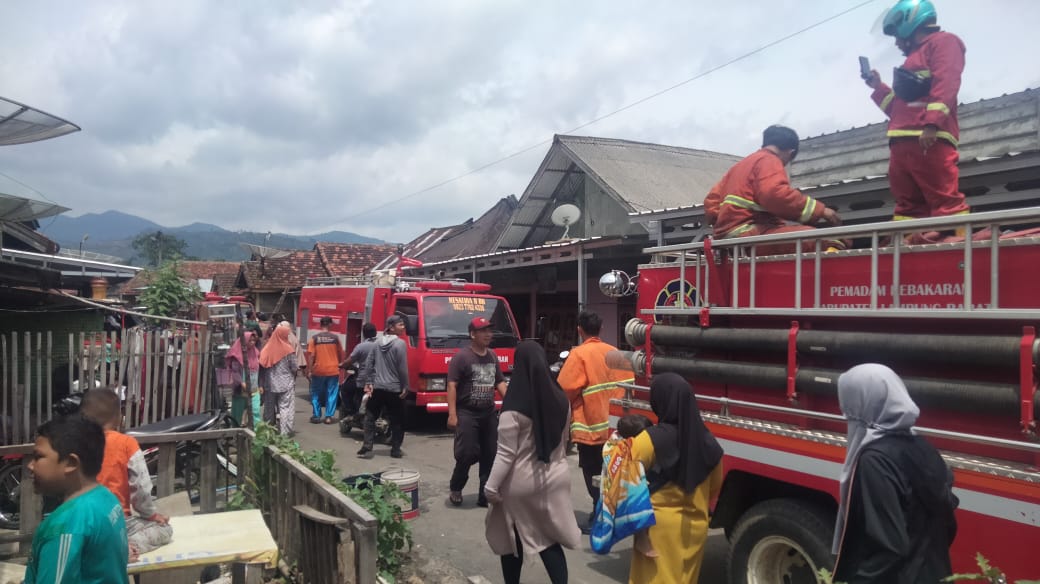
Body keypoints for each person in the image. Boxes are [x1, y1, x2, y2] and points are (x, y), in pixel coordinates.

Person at [832, 363, 958, 583]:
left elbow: (889, 548)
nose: (845, 412)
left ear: (861, 403)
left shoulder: (875, 461)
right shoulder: (922, 446)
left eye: (848, 403)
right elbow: (948, 520)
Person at [865, 0, 968, 239]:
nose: (897, 42)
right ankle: (908, 253)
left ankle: (962, 252)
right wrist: (877, 87)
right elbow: (900, 110)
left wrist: (932, 123)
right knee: (907, 208)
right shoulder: (913, 59)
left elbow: (947, 83)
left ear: (909, 23)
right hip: (903, 143)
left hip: (929, 140)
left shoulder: (944, 42)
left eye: (897, 36)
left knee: (946, 202)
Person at [484, 341, 580, 584]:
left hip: (522, 484)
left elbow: (506, 454)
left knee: (512, 539)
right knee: (548, 539)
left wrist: (490, 487)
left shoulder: (513, 408)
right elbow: (565, 439)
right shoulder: (561, 400)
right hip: (556, 476)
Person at [628, 373, 723, 584]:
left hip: (656, 529)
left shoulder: (651, 439)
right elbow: (715, 487)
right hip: (695, 529)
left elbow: (625, 478)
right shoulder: (710, 443)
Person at [704, 125, 844, 254]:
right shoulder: (769, 160)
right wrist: (821, 211)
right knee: (832, 239)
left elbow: (711, 202)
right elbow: (774, 194)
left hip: (729, 241)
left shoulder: (739, 167)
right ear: (790, 152)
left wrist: (726, 224)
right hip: (750, 236)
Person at [25, 415, 130, 584]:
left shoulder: (64, 527)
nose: (30, 466)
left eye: (38, 457)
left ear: (71, 463)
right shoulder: (107, 498)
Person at [556, 310, 634, 525]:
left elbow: (565, 388)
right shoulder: (615, 352)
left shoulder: (579, 354)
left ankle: (599, 513)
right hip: (617, 428)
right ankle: (612, 510)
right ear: (601, 329)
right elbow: (630, 386)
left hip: (591, 428)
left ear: (579, 330)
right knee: (612, 471)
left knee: (593, 472)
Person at [79, 389, 173, 558]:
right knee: (165, 529)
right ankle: (125, 547)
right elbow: (141, 487)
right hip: (117, 521)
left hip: (81, 521)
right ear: (118, 418)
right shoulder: (126, 444)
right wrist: (150, 514)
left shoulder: (76, 445)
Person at [446, 317, 508, 507]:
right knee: (467, 453)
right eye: (483, 331)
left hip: (488, 413)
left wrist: (512, 401)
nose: (488, 334)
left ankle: (484, 494)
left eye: (489, 331)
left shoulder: (492, 356)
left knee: (490, 454)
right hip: (467, 413)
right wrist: (452, 414)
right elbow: (452, 385)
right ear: (472, 334)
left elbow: (499, 382)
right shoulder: (462, 357)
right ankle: (456, 486)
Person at [356, 315, 409, 459]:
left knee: (370, 416)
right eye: (400, 325)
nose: (403, 327)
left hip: (378, 387)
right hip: (394, 388)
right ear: (391, 327)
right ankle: (396, 449)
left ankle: (367, 445)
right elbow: (402, 368)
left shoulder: (377, 343)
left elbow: (369, 364)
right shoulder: (400, 344)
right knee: (397, 419)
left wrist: (369, 382)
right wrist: (405, 385)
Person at [610, 414, 656, 558]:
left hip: (625, 476)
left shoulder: (622, 443)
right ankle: (642, 538)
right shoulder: (622, 449)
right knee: (640, 496)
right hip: (621, 481)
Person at [305, 316, 346, 425]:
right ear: (330, 325)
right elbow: (341, 353)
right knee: (332, 393)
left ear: (320, 324)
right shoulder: (335, 338)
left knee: (316, 393)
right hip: (333, 370)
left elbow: (311, 355)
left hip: (318, 370)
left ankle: (317, 415)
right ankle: (328, 417)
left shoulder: (314, 338)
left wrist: (309, 369)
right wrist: (340, 365)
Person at [260, 323, 298, 435]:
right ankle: (284, 433)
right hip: (286, 384)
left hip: (270, 383)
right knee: (285, 408)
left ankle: (268, 432)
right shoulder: (289, 349)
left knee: (269, 408)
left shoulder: (267, 348)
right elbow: (294, 367)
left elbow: (262, 364)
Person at [339, 322, 378, 420]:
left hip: (363, 380)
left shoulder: (361, 346)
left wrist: (342, 365)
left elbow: (350, 360)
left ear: (364, 334)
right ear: (376, 333)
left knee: (344, 389)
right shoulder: (381, 345)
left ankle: (351, 412)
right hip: (380, 380)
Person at [227, 331, 262, 428]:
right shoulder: (237, 355)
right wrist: (241, 383)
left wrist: (260, 385)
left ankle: (257, 435)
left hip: (254, 389)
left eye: (254, 341)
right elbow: (235, 372)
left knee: (255, 412)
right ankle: (235, 435)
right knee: (237, 414)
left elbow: (259, 370)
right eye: (250, 340)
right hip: (241, 390)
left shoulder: (256, 353)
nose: (252, 343)